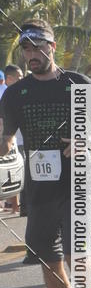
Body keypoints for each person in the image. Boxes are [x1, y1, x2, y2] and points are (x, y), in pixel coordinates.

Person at [0, 19, 91, 288]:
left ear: (51, 46)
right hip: (37, 188)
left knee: (77, 252)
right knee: (47, 260)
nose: (30, 54)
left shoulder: (77, 82)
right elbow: (5, 137)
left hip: (77, 183)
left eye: (36, 47)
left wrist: (87, 139)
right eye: (25, 48)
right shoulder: (17, 93)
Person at [2, 65, 25, 215]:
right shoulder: (6, 93)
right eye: (19, 76)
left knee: (14, 173)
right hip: (10, 140)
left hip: (19, 140)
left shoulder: (21, 91)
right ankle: (14, 206)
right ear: (9, 78)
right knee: (11, 173)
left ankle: (16, 206)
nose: (22, 79)